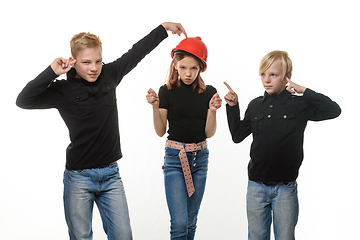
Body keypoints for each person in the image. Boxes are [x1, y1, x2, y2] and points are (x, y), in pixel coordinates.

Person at [16, 22, 187, 240]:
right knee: (81, 236)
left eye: (98, 61)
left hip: (110, 175)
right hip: (79, 177)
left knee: (123, 235)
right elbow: (23, 100)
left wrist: (163, 29)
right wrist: (52, 72)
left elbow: (136, 52)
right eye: (86, 62)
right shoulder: (62, 90)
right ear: (73, 61)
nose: (94, 68)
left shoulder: (110, 74)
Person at [224, 50, 341, 240]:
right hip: (256, 186)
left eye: (273, 74)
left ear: (287, 77)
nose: (266, 80)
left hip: (285, 188)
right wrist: (232, 106)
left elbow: (334, 110)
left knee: (285, 237)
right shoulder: (255, 105)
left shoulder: (299, 105)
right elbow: (237, 135)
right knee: (256, 237)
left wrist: (304, 90)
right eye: (263, 74)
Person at [146, 37, 222, 240]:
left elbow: (209, 133)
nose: (188, 73)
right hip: (174, 158)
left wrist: (213, 111)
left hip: (200, 158)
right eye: (183, 67)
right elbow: (161, 131)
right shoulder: (166, 91)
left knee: (190, 221)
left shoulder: (210, 92)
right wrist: (155, 106)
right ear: (175, 66)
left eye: (193, 68)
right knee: (179, 223)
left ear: (201, 69)